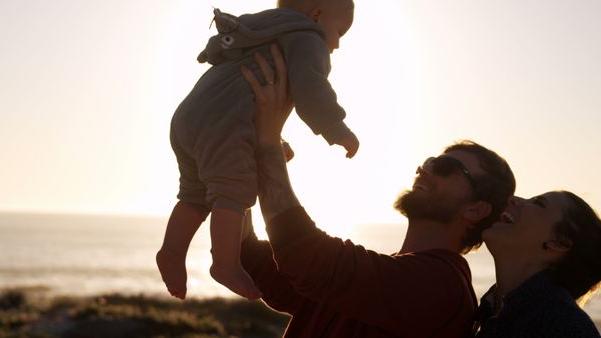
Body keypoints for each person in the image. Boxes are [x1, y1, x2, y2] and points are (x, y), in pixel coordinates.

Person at [238, 45, 516, 337]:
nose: (427, 168)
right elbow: (259, 264)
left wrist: (268, 145)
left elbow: (306, 258)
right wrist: (245, 171)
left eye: (446, 165)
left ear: (476, 209)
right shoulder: (387, 277)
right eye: (431, 160)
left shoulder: (442, 287)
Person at [156, 0, 360, 300]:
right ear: (317, 16)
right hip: (224, 123)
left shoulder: (261, 31)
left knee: (194, 193)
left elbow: (247, 95)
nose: (339, 44)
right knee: (234, 189)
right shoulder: (308, 38)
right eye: (340, 31)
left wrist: (276, 142)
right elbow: (310, 90)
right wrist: (336, 128)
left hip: (189, 117)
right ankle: (226, 264)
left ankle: (172, 251)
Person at [474, 191, 601, 337]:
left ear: (559, 243)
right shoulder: (485, 313)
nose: (512, 199)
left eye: (538, 202)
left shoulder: (568, 329)